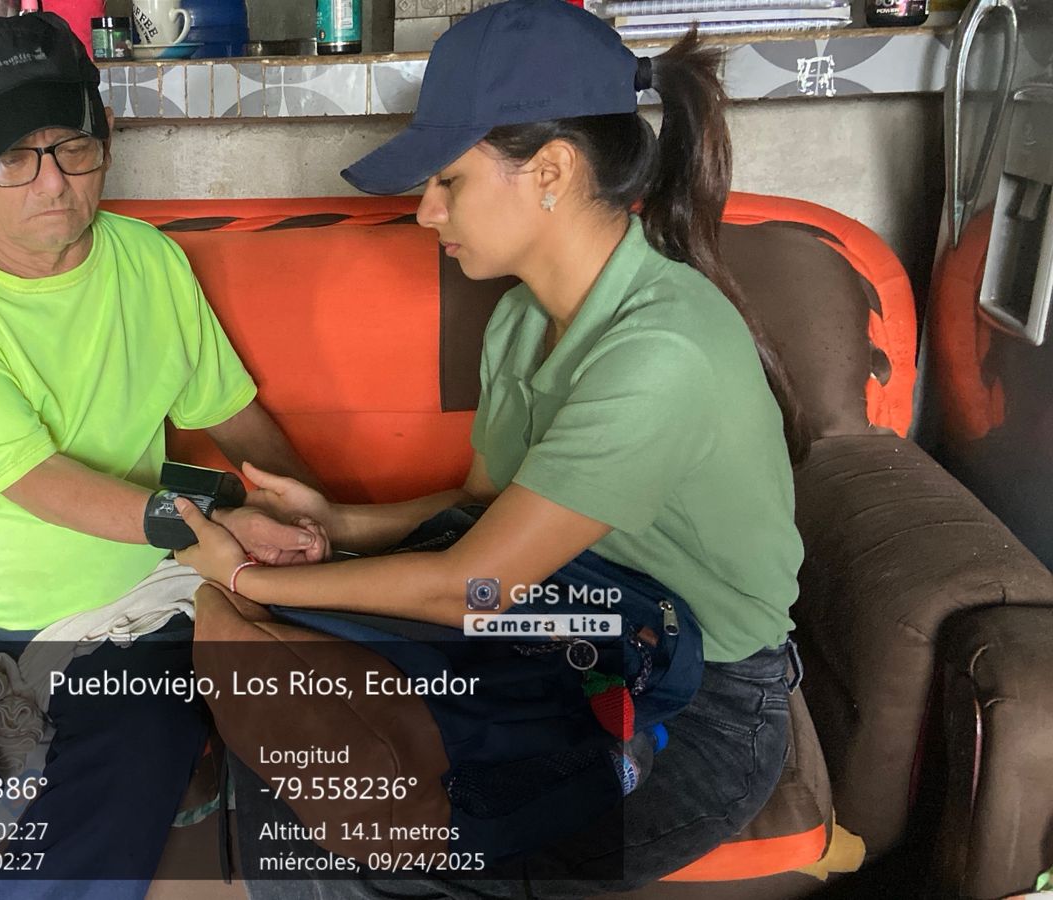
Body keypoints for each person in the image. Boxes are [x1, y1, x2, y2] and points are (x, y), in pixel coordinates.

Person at [171, 0, 806, 895]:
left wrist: (246, 579)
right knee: (297, 761)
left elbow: (472, 585)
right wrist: (333, 521)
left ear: (551, 170)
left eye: (449, 180)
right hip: (572, 634)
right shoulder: (521, 320)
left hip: (698, 702)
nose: (426, 212)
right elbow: (481, 509)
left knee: (381, 831)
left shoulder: (661, 353)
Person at [0, 14, 326, 900]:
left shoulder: (148, 262)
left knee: (138, 754)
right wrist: (212, 525)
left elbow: (232, 414)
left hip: (125, 601)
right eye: (14, 156)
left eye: (72, 148)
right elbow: (32, 479)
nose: (52, 183)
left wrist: (302, 502)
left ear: (107, 137)